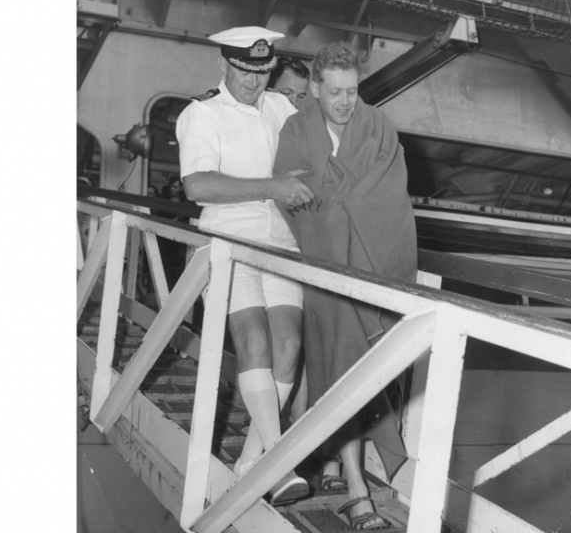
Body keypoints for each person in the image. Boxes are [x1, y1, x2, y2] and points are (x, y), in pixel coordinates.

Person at [273, 42, 417, 530]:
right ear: (315, 88)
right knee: (341, 366)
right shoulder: (296, 127)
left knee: (351, 365)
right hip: (323, 268)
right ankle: (357, 489)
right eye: (334, 92)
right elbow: (290, 193)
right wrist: (335, 204)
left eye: (352, 91)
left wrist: (330, 199)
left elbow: (387, 201)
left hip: (373, 269)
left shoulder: (380, 126)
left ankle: (336, 462)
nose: (344, 102)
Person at [175, 26, 316, 506]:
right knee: (254, 340)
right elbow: (197, 186)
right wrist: (271, 187)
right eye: (243, 71)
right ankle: (280, 463)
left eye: (263, 72)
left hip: (281, 244)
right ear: (224, 65)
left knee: (291, 345)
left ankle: (253, 461)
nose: (253, 83)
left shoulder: (282, 107)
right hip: (231, 242)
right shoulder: (202, 114)